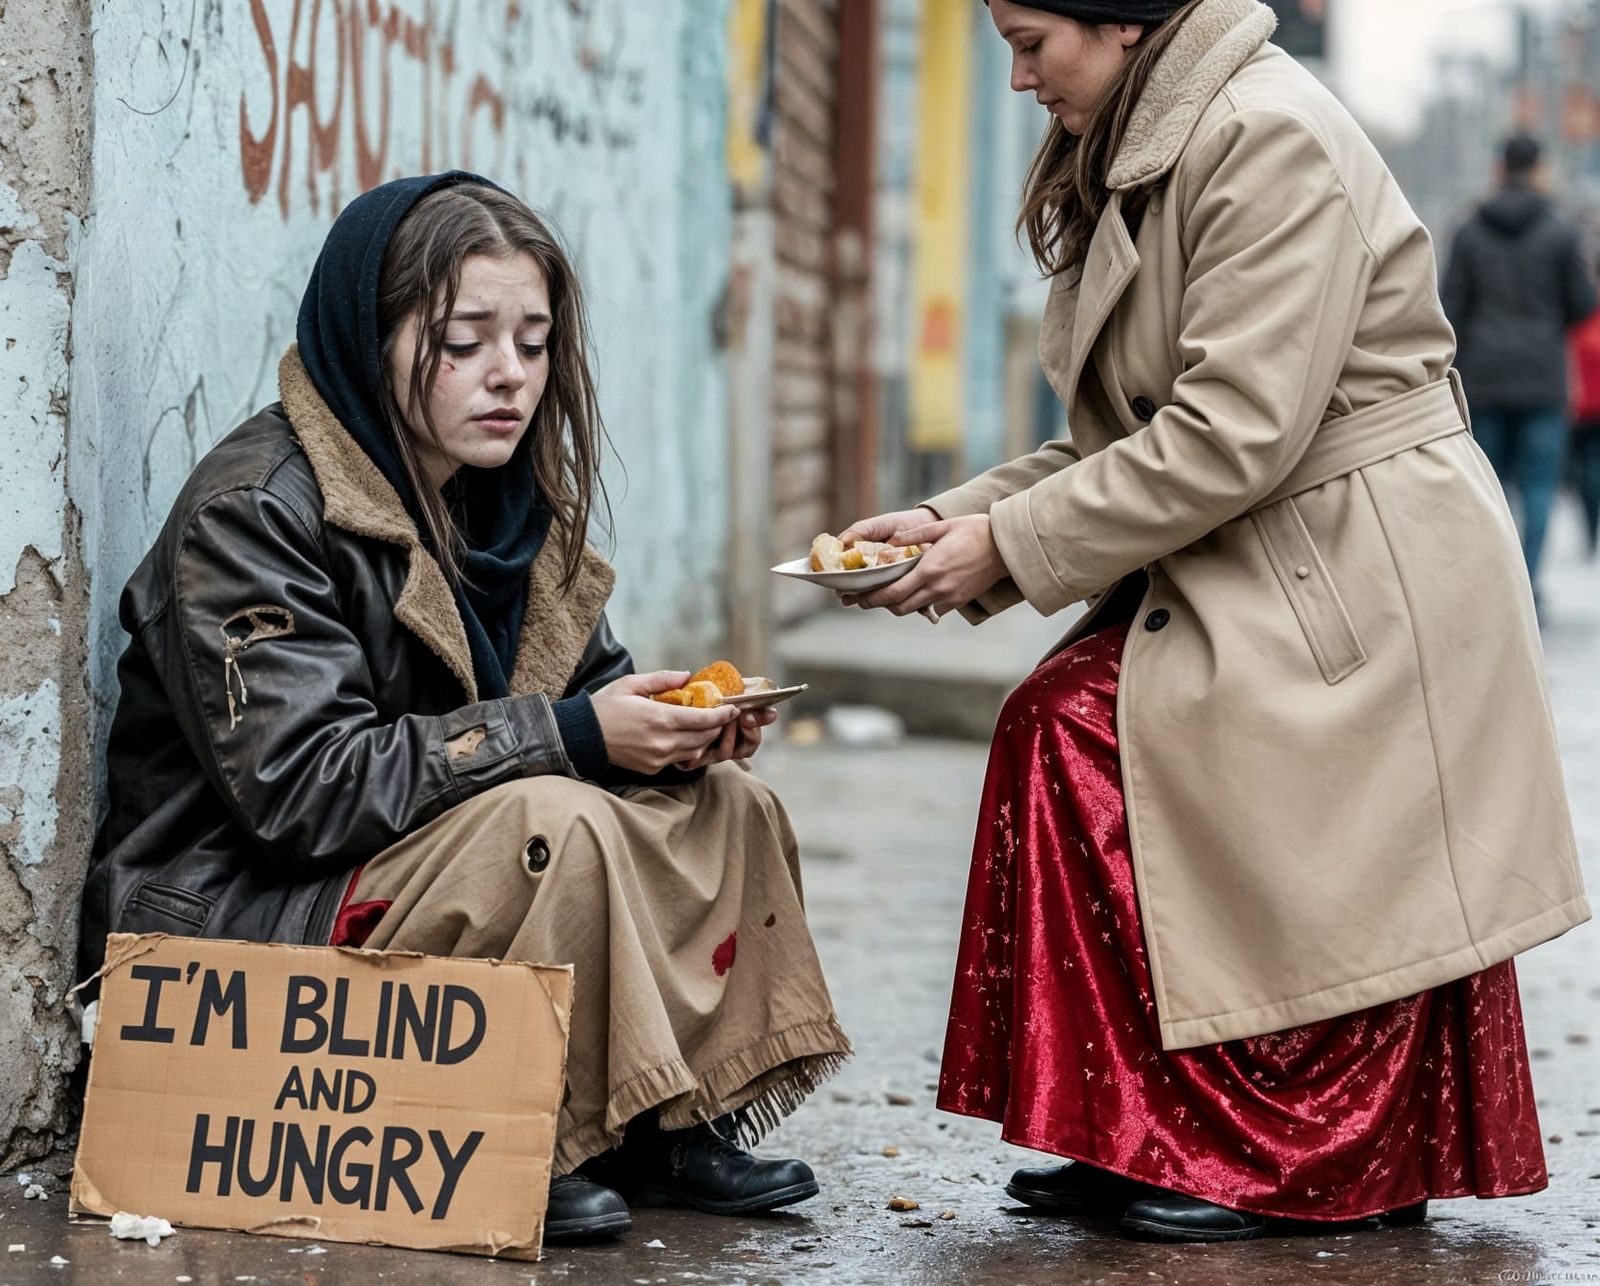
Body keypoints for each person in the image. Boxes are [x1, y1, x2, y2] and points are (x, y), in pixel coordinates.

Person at [842, 0, 1589, 1244]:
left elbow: (1229, 432)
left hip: (1357, 572)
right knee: (1057, 722)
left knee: (1084, 733)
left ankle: (1259, 1155)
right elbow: (1136, 434)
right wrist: (949, 521)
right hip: (1270, 545)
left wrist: (1004, 546)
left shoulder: (1263, 134)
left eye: (1033, 43)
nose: (1019, 77)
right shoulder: (1161, 138)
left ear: (1124, 22)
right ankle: (1138, 1121)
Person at [77, 174, 850, 1244]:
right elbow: (302, 789)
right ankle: (530, 1135)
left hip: (395, 863)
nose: (510, 376)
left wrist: (671, 736)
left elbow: (582, 700)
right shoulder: (254, 508)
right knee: (553, 824)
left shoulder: (502, 504)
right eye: (465, 339)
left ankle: (664, 1117)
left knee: (724, 803)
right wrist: (576, 735)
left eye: (533, 343)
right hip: (247, 907)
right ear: (372, 334)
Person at [1441, 133, 1597, 601]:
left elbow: (1449, 307)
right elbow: (1584, 302)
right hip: (1541, 379)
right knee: (1538, 487)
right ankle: (1526, 587)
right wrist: (1545, 327)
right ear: (1538, 170)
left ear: (1500, 168)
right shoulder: (1559, 232)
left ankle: (1494, 587)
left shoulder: (1468, 232)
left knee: (1490, 489)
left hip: (1484, 379)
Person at [1568, 295, 1600, 557]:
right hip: (1582, 409)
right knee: (1588, 471)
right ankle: (1591, 532)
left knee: (1588, 471)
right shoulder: (1579, 313)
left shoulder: (1578, 317)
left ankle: (1591, 533)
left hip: (1582, 407)